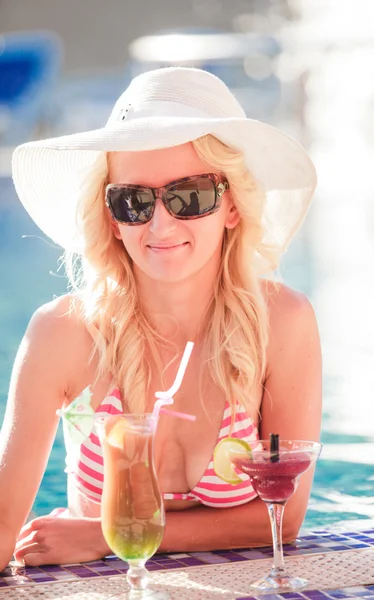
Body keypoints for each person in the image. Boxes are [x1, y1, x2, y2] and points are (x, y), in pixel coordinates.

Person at [0, 66, 322, 569]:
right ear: (111, 216)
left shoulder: (281, 322)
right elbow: (3, 526)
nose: (160, 223)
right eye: (133, 201)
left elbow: (281, 516)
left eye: (188, 195)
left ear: (230, 204)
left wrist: (107, 536)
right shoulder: (62, 332)